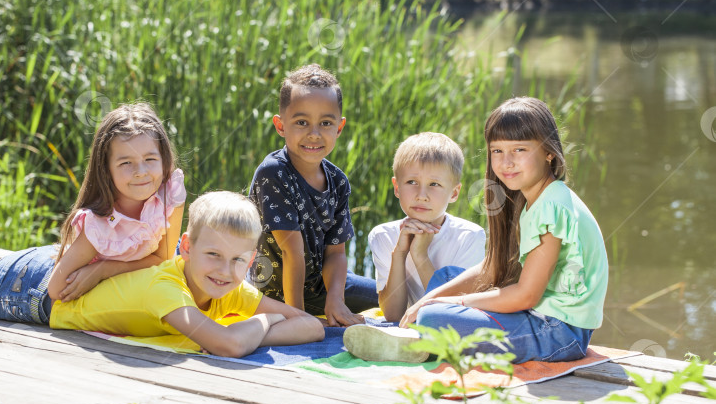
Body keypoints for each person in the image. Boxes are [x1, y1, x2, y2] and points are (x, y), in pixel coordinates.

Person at [345, 97, 608, 364]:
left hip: (557, 333)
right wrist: (434, 297)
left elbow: (527, 295)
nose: (507, 163)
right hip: (539, 318)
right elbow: (493, 266)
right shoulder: (538, 200)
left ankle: (420, 343)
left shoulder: (551, 207)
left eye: (519, 150)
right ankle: (424, 336)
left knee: (435, 316)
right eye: (497, 151)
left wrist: (453, 304)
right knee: (445, 280)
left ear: (548, 152)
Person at [0, 192, 325, 357]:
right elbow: (229, 343)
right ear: (186, 248)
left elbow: (311, 327)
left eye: (238, 261)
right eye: (213, 254)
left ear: (251, 262)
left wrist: (256, 321)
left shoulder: (229, 287)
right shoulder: (168, 286)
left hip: (59, 272)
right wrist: (267, 320)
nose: (224, 270)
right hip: (34, 293)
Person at [248, 64, 377, 327]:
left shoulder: (338, 181)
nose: (314, 134)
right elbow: (291, 252)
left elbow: (337, 253)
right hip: (274, 293)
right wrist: (299, 317)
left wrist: (336, 299)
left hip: (320, 285)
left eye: (325, 123)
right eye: (302, 122)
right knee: (304, 329)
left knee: (392, 296)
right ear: (280, 125)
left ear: (339, 128)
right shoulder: (274, 173)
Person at [47, 102, 186, 303]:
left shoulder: (170, 194)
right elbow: (56, 289)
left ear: (163, 159)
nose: (141, 172)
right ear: (106, 169)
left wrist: (104, 270)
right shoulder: (101, 225)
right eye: (126, 163)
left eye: (150, 159)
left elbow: (164, 257)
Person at [368, 132, 485, 323]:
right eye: (412, 182)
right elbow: (394, 316)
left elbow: (454, 315)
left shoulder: (470, 237)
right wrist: (399, 254)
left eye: (434, 184)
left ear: (454, 193)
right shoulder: (383, 236)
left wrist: (421, 256)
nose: (421, 195)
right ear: (397, 187)